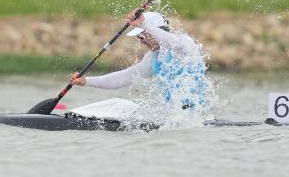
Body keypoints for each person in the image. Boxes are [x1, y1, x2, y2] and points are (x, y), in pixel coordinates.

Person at [70, 9, 207, 110]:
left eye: (142, 36)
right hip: (174, 117)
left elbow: (172, 42)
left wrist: (144, 24)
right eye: (138, 38)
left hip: (195, 116)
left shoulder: (185, 44)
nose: (141, 42)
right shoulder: (153, 58)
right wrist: (87, 81)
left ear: (155, 30)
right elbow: (124, 77)